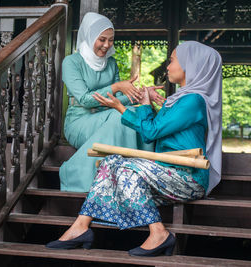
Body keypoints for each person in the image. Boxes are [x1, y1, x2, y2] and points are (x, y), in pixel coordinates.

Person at [46, 41, 222, 257]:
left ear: (190, 65)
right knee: (110, 162)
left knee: (125, 170)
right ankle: (80, 226)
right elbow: (153, 126)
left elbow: (150, 132)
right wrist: (145, 101)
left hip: (187, 177)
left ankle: (158, 232)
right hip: (164, 175)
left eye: (173, 60)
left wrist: (121, 107)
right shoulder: (178, 100)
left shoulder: (194, 101)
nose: (167, 67)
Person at [60, 12, 164, 192]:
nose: (107, 45)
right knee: (121, 117)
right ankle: (77, 174)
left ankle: (140, 173)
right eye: (102, 39)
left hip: (106, 116)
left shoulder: (111, 63)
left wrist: (142, 94)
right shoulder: (71, 62)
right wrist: (116, 86)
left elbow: (116, 100)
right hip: (80, 122)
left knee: (135, 112)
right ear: (90, 36)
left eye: (110, 40)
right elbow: (84, 99)